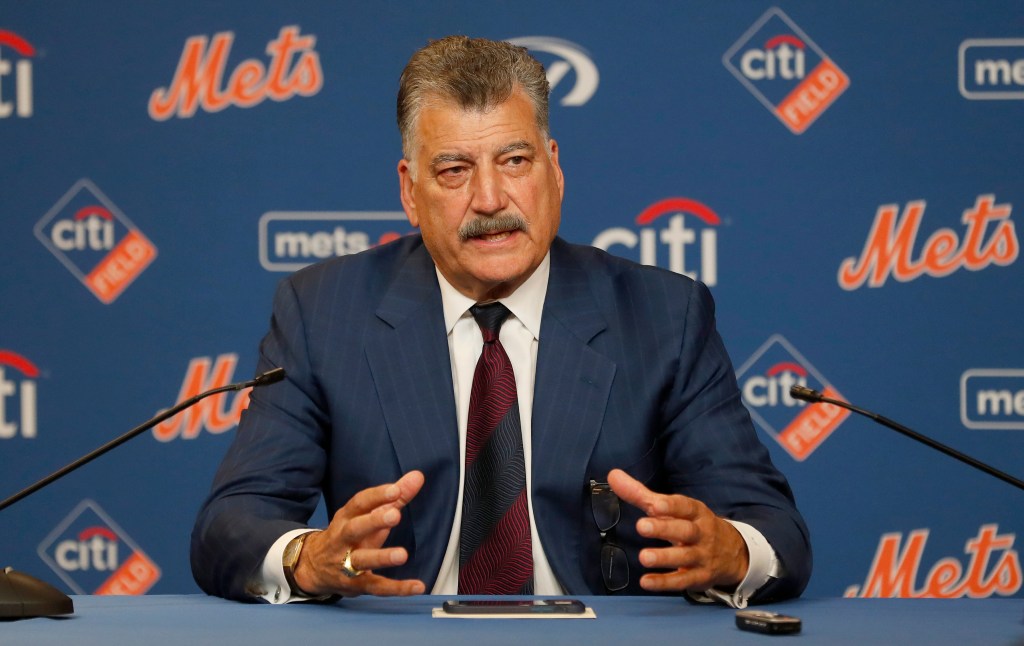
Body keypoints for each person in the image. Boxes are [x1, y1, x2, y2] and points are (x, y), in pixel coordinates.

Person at [191, 35, 811, 606]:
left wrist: (730, 550)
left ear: (554, 166)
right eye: (455, 170)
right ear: (410, 192)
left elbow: (774, 530)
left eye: (514, 161)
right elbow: (231, 524)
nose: (489, 200)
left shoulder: (663, 315)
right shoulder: (323, 312)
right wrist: (306, 557)